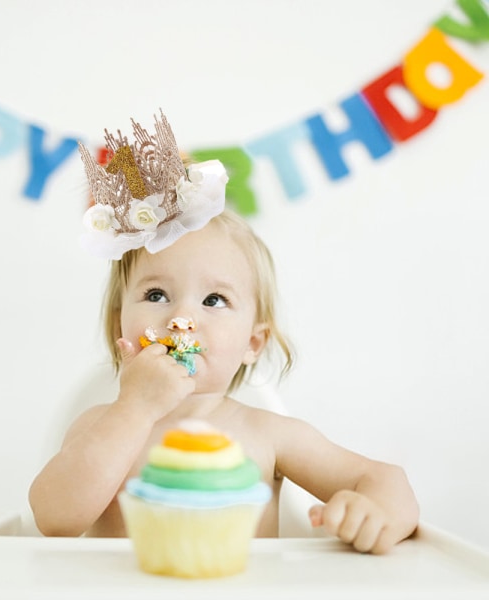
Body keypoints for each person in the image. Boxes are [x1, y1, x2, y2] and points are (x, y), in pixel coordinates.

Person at [28, 113, 419, 554]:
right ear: (121, 319)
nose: (181, 319)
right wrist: (134, 409)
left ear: (254, 343)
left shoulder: (270, 435)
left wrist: (377, 511)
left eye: (214, 301)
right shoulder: (100, 426)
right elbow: (53, 518)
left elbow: (386, 479)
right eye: (156, 294)